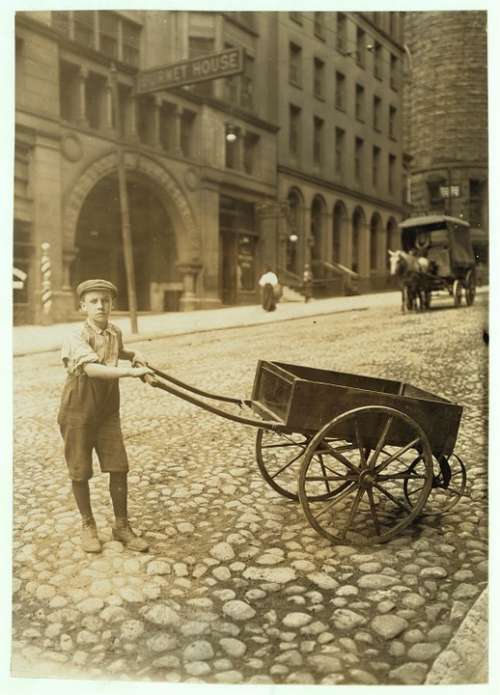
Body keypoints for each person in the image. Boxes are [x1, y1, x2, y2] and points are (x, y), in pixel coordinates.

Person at [57, 279, 154, 553]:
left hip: (108, 406)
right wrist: (131, 372)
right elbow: (93, 369)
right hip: (79, 404)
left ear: (112, 304)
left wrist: (134, 354)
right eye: (94, 301)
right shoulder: (75, 337)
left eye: (105, 300)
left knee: (118, 465)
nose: (101, 305)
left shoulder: (114, 332)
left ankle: (121, 525)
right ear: (83, 307)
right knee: (80, 468)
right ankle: (88, 525)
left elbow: (115, 352)